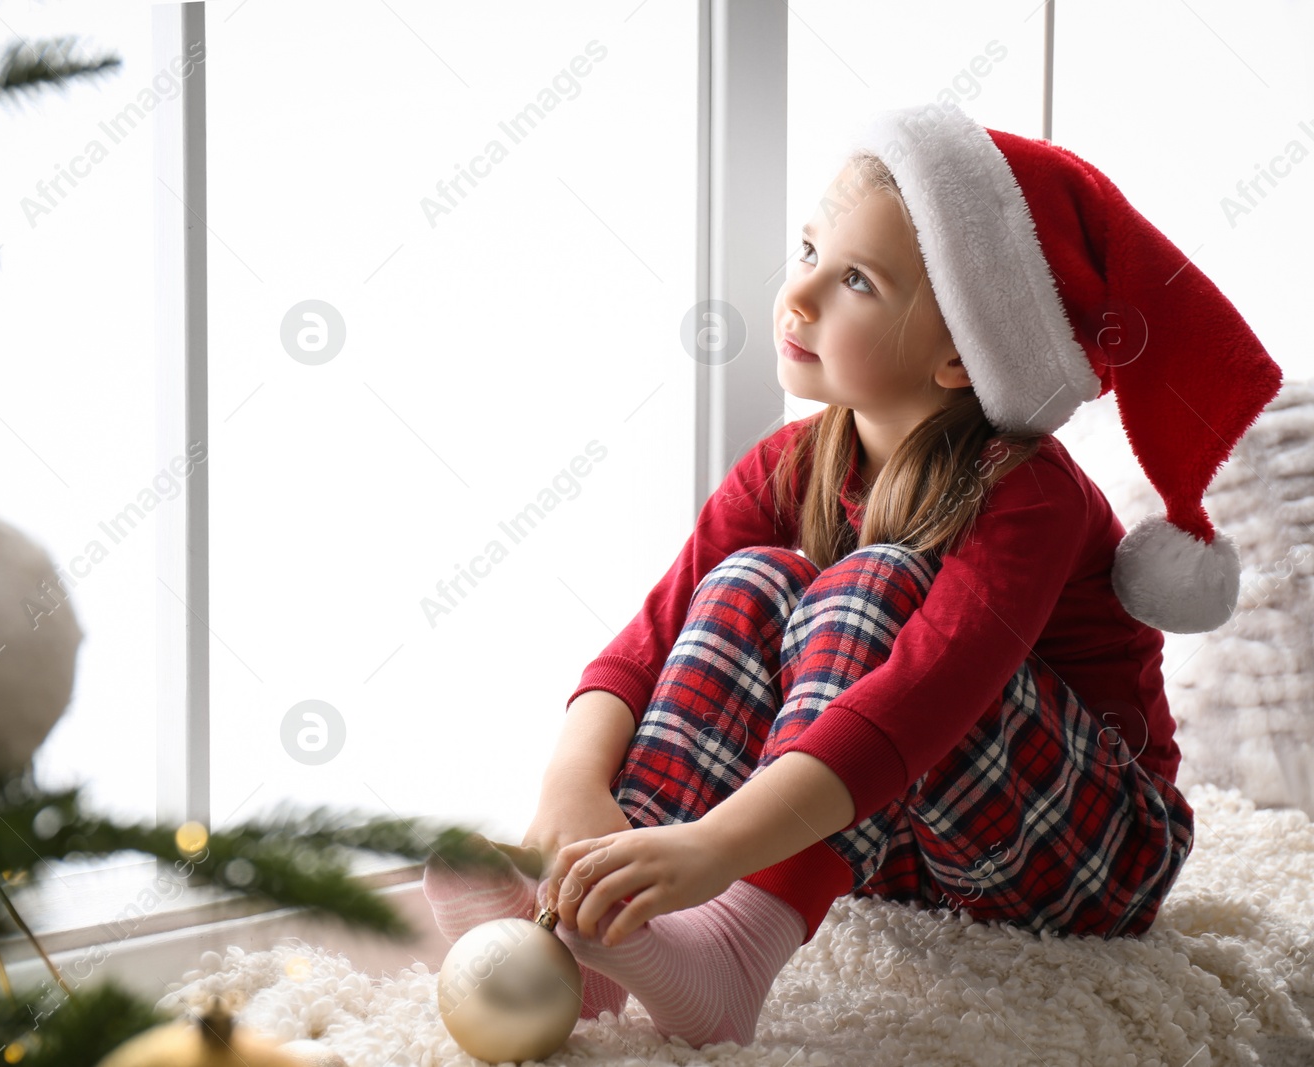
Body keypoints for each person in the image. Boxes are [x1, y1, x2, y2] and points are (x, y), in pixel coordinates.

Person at [421, 101, 1283, 1050]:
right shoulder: (792, 464)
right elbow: (648, 643)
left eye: (856, 281)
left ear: (962, 354)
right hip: (903, 839)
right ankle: (594, 935)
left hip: (1096, 852)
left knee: (872, 583)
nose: (797, 296)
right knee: (750, 579)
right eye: (807, 252)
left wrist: (716, 849)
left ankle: (740, 948)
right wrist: (575, 791)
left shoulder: (1027, 494)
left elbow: (922, 701)